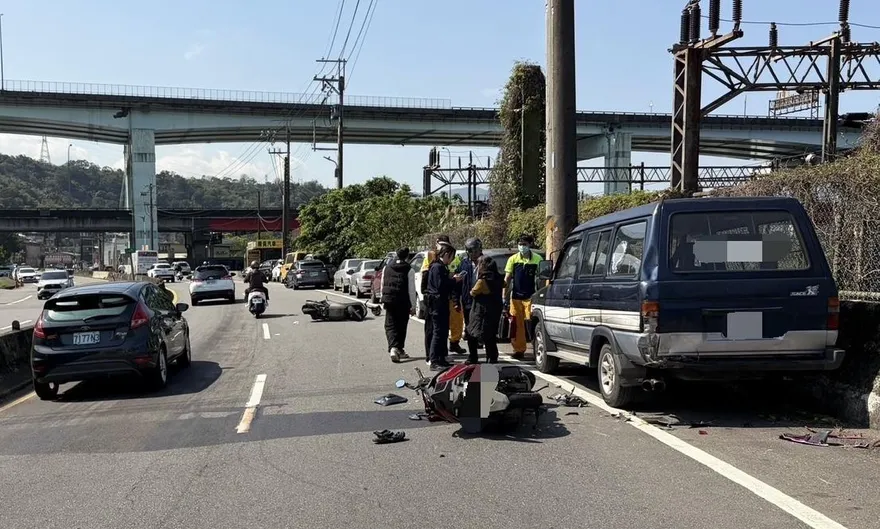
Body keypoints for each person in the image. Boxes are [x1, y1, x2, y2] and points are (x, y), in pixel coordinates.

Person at [420, 235, 465, 355]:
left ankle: (451, 345)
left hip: (450, 294)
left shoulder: (454, 257)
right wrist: (425, 292)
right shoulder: (431, 257)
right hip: (436, 296)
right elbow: (425, 276)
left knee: (451, 325)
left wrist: (456, 298)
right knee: (435, 329)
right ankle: (432, 355)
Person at [503, 233, 542, 359]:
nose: (522, 247)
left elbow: (542, 278)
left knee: (532, 324)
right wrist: (504, 296)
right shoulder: (513, 259)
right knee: (517, 326)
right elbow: (507, 279)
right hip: (515, 298)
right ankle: (519, 350)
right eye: (520, 244)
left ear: (530, 245)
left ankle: (537, 349)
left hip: (531, 297)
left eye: (524, 244)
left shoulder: (537, 259)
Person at [465, 255, 503, 364]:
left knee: (471, 333)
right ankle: (492, 358)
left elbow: (473, 292)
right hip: (495, 309)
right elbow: (504, 284)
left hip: (480, 311)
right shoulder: (498, 278)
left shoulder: (482, 281)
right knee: (490, 336)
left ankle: (473, 357)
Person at [381, 248, 414, 363]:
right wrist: (413, 306)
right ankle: (398, 348)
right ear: (407, 256)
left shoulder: (387, 267)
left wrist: (382, 298)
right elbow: (411, 289)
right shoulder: (409, 269)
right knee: (401, 325)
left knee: (390, 325)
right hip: (403, 301)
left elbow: (382, 283)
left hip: (389, 299)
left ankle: (393, 348)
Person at [455, 237, 483, 343]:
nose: (472, 253)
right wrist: (456, 301)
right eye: (469, 250)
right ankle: (473, 350)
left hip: (482, 300)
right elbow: (457, 285)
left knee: (481, 323)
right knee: (469, 324)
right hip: (468, 300)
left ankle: (480, 341)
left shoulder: (486, 262)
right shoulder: (464, 264)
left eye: (473, 250)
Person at [420, 249, 436, 365]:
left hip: (435, 304)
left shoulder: (437, 269)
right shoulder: (427, 271)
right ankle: (429, 356)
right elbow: (423, 289)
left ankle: (436, 354)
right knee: (430, 330)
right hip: (430, 304)